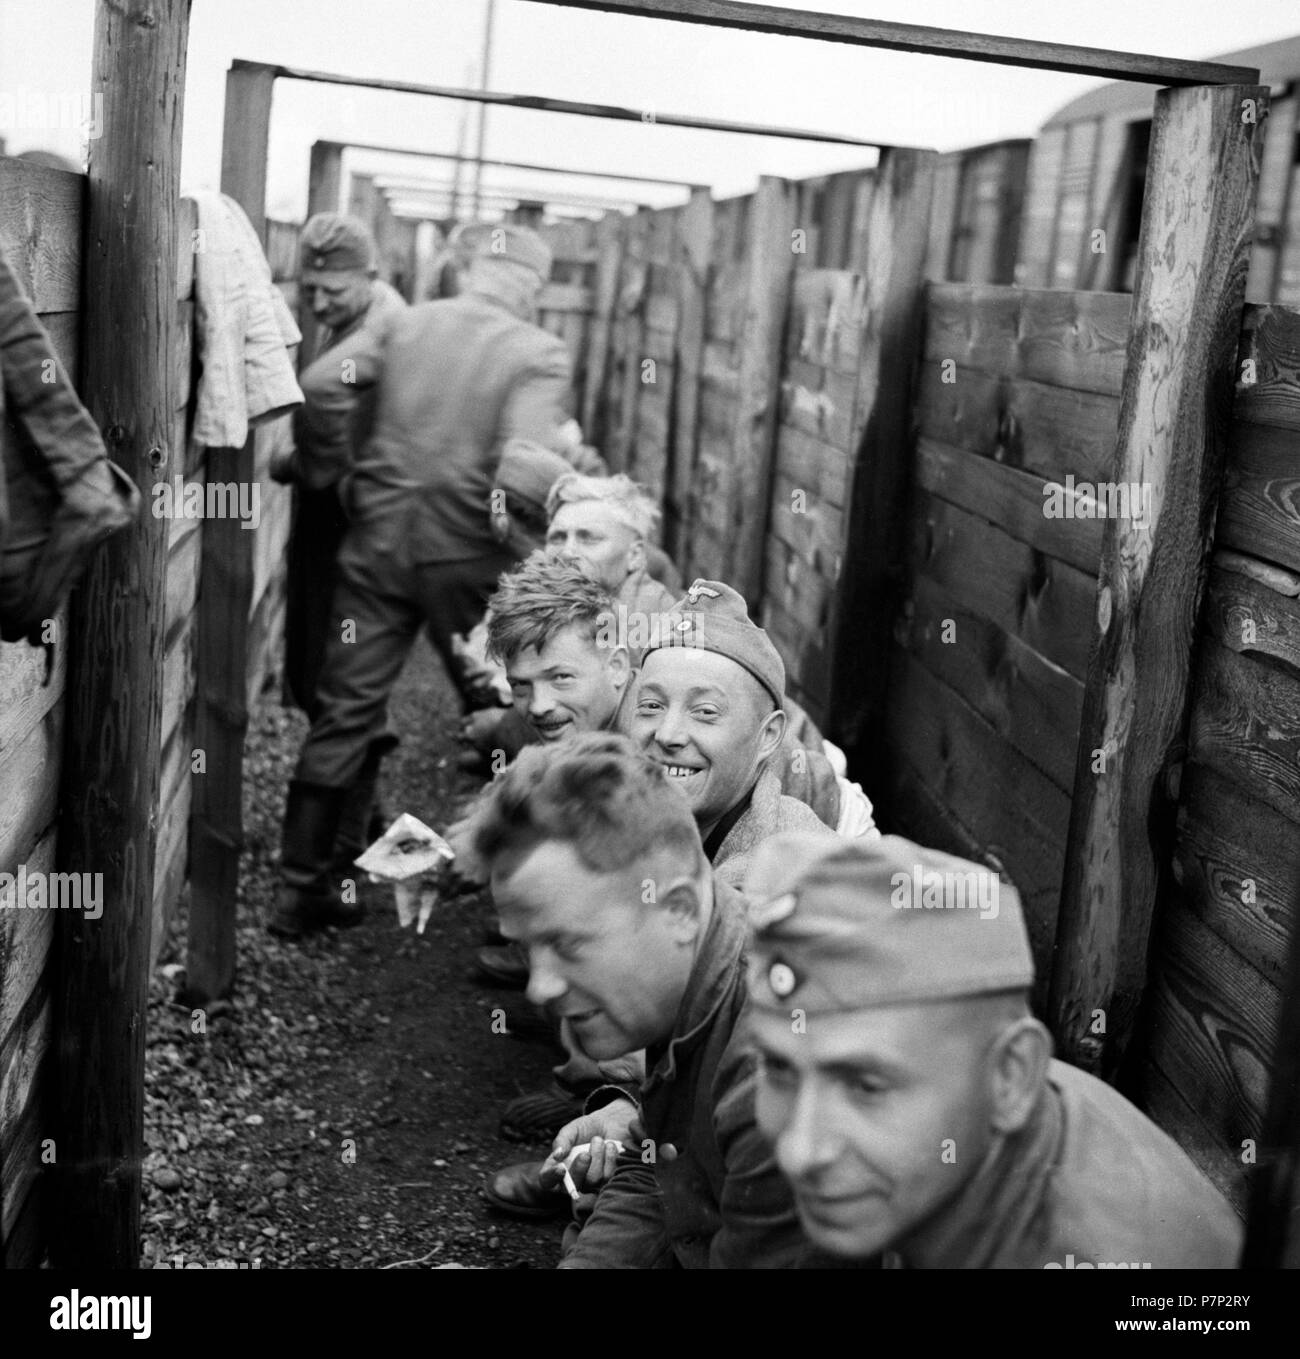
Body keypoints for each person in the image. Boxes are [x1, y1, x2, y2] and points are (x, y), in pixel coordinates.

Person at [743, 832, 1245, 1269]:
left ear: (1013, 1077)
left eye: (866, 1085)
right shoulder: (975, 1115)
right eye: (779, 1068)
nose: (799, 1151)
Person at [270, 222, 573, 939]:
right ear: (529, 286)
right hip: (468, 558)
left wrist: (333, 472)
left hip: (377, 544)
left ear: (471, 271)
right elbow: (523, 463)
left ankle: (301, 889)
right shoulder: (538, 352)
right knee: (524, 704)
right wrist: (534, 546)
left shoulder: (408, 325)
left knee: (346, 707)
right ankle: (526, 907)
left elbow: (320, 384)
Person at [460, 732, 827, 1268]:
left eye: (566, 944)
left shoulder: (772, 1076)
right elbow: (657, 1168)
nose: (537, 988)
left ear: (677, 910)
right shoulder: (691, 974)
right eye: (527, 947)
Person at [272, 215, 409, 875]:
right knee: (324, 676)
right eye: (312, 289)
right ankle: (367, 828)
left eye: (333, 288)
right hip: (346, 526)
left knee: (342, 685)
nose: (320, 302)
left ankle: (325, 868)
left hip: (358, 532)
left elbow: (322, 393)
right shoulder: (355, 319)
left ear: (372, 277)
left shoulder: (383, 324)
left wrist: (306, 466)